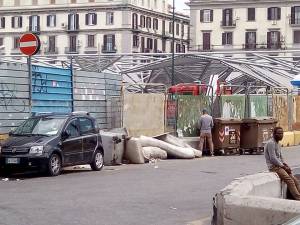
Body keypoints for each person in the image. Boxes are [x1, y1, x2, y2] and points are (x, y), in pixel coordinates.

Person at [264, 127, 300, 200]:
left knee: (295, 180)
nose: (281, 135)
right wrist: (283, 167)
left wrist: (286, 165)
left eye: (282, 133)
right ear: (274, 134)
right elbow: (273, 158)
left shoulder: (278, 143)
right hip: (274, 167)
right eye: (279, 133)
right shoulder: (271, 143)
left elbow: (280, 157)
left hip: (280, 166)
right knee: (290, 181)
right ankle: (298, 198)